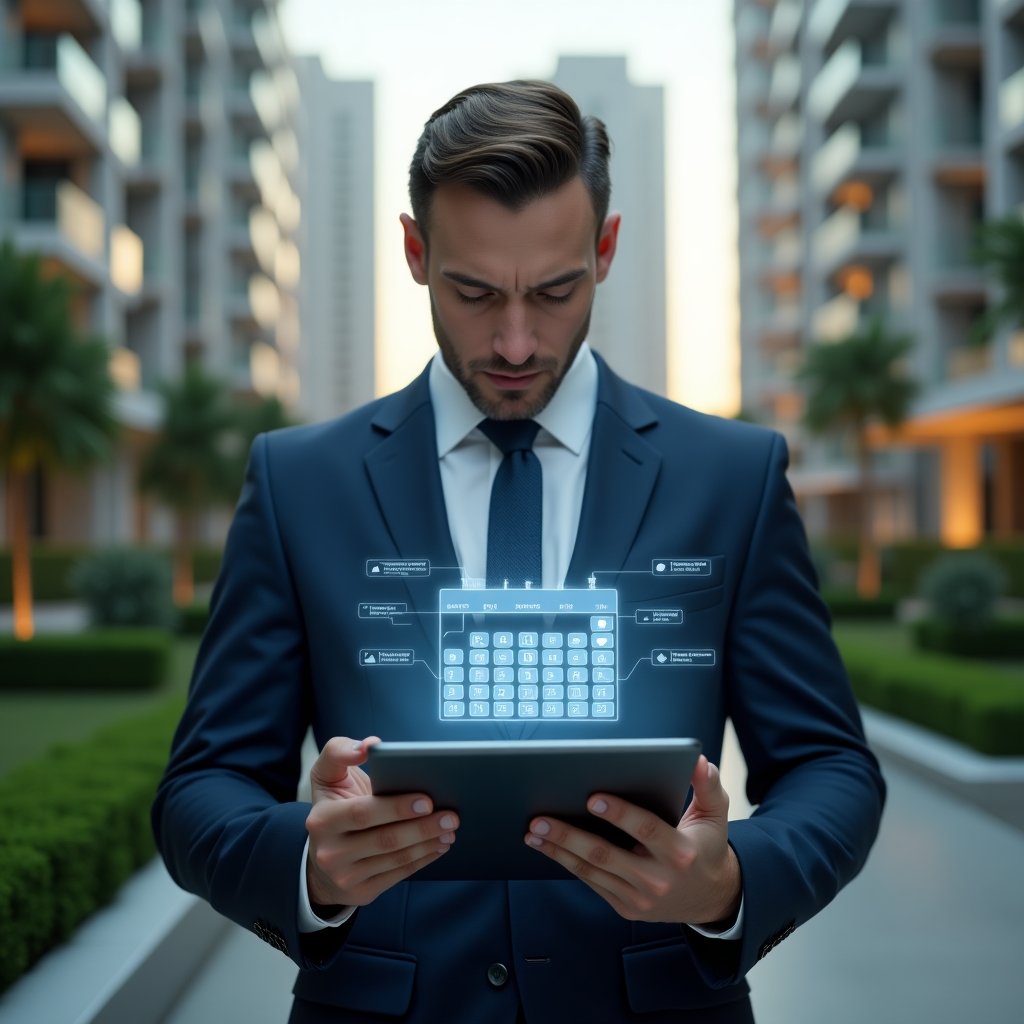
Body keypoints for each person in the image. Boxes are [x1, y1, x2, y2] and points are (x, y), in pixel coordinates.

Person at [153, 80, 885, 1024]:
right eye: (472, 291)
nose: (513, 340)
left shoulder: (731, 477)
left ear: (605, 250)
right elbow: (199, 791)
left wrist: (730, 883)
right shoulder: (300, 484)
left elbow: (833, 766)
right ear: (415, 253)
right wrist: (309, 863)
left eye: (554, 290)